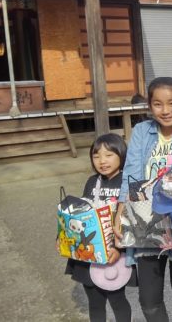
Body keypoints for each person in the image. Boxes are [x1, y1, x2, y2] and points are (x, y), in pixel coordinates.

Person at [115, 77, 172, 322]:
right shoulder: (141, 132)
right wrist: (120, 212)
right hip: (145, 218)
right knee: (149, 297)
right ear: (149, 105)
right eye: (158, 104)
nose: (165, 110)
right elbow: (131, 172)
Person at [64, 133, 137, 322]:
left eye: (108, 155)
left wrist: (119, 248)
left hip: (114, 252)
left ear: (122, 155)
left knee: (117, 299)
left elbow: (131, 219)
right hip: (89, 253)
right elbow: (82, 215)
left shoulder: (126, 182)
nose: (102, 161)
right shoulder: (92, 182)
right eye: (96, 156)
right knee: (95, 301)